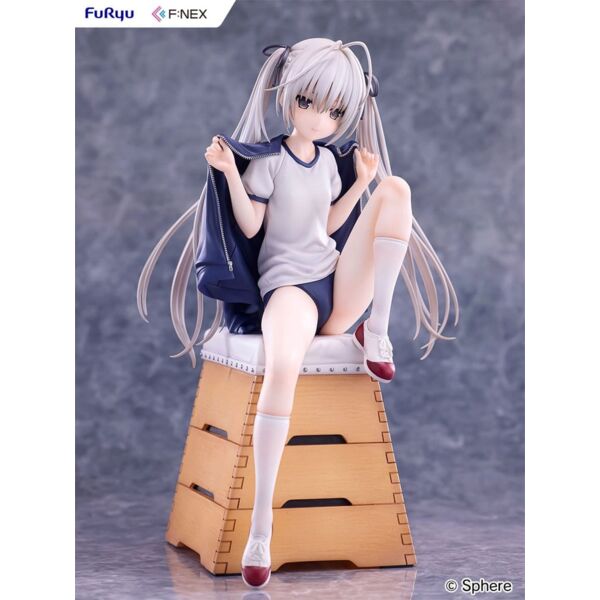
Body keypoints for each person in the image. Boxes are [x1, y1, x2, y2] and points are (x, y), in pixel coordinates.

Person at [137, 37, 459, 589]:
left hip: (337, 283)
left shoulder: (329, 164)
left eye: (334, 110)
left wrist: (362, 183)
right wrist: (230, 172)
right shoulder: (269, 162)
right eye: (309, 102)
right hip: (290, 291)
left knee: (396, 189)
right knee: (281, 370)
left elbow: (330, 225)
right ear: (287, 96)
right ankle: (260, 528)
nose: (319, 118)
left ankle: (377, 329)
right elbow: (251, 227)